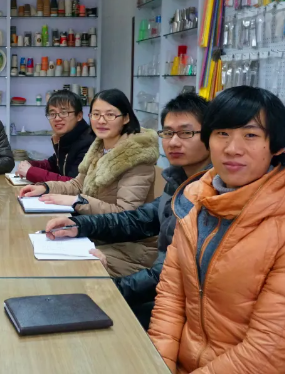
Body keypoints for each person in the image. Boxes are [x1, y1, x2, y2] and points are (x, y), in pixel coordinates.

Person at [148, 86, 285, 373]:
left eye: (251, 135)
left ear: (277, 147)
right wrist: (158, 365)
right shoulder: (194, 203)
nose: (232, 148)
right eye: (222, 133)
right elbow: (170, 299)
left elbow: (267, 351)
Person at [45, 93, 211, 328]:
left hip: (180, 304)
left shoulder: (212, 190)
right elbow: (140, 218)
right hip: (159, 285)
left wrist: (114, 289)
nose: (174, 142)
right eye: (168, 133)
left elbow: (172, 272)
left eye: (186, 133)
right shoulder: (179, 179)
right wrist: (80, 225)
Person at [19, 89, 159, 216]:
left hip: (117, 235)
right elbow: (77, 185)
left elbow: (126, 215)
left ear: (126, 118)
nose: (101, 121)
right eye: (96, 114)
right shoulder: (99, 147)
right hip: (91, 223)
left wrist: (76, 201)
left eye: (110, 115)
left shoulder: (136, 156)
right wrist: (45, 188)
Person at [15, 90, 95, 183]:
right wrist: (31, 164)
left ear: (79, 116)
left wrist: (31, 172)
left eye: (64, 112)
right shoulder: (66, 137)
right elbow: (52, 164)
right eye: (52, 114)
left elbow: (73, 183)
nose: (57, 118)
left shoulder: (88, 142)